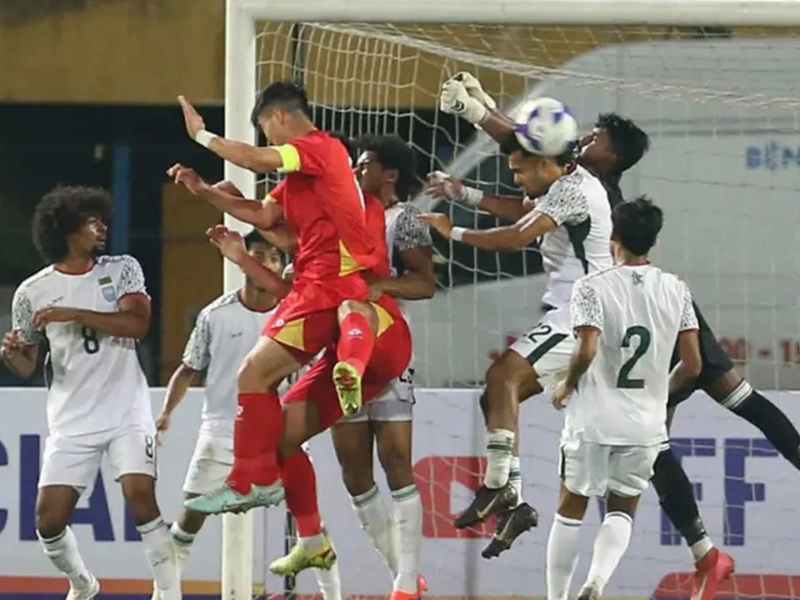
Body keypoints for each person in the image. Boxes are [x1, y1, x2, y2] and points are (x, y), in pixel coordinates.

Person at [167, 80, 382, 515]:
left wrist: (202, 137)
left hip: (328, 286)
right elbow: (263, 215)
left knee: (251, 376)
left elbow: (253, 158)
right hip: (315, 286)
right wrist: (206, 192)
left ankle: (256, 479)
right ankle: (258, 476)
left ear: (281, 117)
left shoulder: (319, 148)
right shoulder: (299, 179)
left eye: (267, 129)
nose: (268, 140)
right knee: (255, 380)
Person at [423, 88, 612, 558]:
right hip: (574, 310)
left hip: (583, 313)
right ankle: (514, 501)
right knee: (496, 396)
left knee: (502, 375)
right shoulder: (559, 180)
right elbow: (517, 189)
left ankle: (494, 485)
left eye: (520, 169)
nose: (516, 174)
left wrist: (455, 231)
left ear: (547, 164)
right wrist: (473, 126)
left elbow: (513, 236)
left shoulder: (573, 191)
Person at [1, 186, 180, 600]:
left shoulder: (122, 269)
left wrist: (75, 313)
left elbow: (137, 325)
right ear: (66, 230)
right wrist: (12, 354)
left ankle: (169, 592)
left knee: (140, 497)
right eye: (91, 221)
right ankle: (83, 583)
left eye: (102, 220)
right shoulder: (32, 292)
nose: (102, 227)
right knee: (48, 521)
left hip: (126, 408)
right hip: (72, 418)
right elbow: (28, 365)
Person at [549, 197, 702, 600]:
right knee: (622, 508)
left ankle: (557, 597)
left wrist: (566, 385)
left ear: (613, 235)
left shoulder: (590, 286)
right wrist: (658, 395)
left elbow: (586, 349)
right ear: (652, 240)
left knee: (570, 506)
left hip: (594, 420)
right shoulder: (676, 289)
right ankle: (596, 583)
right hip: (645, 425)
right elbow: (693, 364)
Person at [151, 232, 294, 598]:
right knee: (191, 515)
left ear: (282, 265)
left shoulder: (292, 313)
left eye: (273, 257)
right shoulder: (215, 315)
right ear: (241, 259)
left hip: (277, 432)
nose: (264, 262)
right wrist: (167, 412)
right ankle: (164, 594)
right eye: (256, 254)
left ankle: (328, 591)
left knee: (307, 518)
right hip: (221, 429)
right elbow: (188, 369)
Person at [330, 135, 435, 599]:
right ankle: (403, 574)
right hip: (341, 353)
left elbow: (426, 283)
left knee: (396, 463)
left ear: (389, 174)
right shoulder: (340, 216)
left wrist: (380, 287)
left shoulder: (404, 220)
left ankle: (406, 585)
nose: (356, 170)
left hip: (388, 352)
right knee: (355, 474)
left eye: (365, 164)